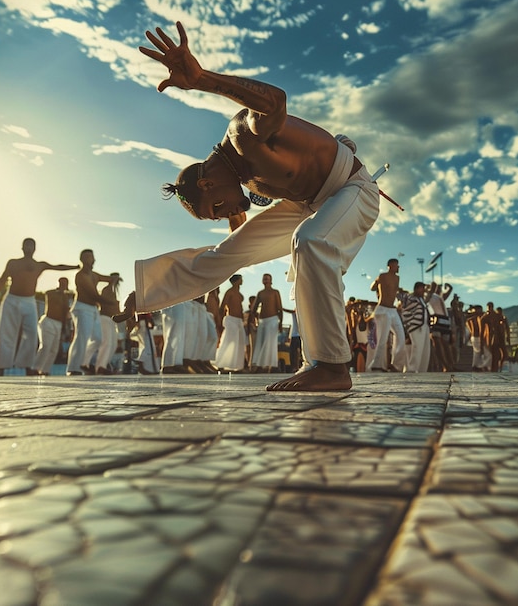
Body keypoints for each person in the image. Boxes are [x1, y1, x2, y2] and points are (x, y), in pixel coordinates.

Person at [116, 21, 379, 391]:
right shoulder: (243, 181)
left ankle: (332, 368)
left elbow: (277, 101)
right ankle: (146, 293)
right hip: (311, 203)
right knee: (224, 255)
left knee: (311, 243)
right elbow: (236, 249)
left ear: (208, 182)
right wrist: (146, 296)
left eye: (218, 208)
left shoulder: (244, 135)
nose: (228, 214)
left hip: (353, 189)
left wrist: (203, 78)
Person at [0, 238, 78, 376]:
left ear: (35, 248)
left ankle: (27, 366)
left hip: (29, 301)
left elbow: (58, 266)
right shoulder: (13, 263)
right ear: (22, 248)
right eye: (26, 245)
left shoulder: (40, 265)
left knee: (32, 333)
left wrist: (76, 266)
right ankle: (1, 368)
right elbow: (1, 281)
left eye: (31, 245)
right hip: (11, 300)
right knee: (6, 333)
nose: (29, 247)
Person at [65, 249, 119, 376]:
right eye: (88, 257)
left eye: (92, 257)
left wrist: (116, 279)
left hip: (93, 310)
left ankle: (83, 363)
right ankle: (73, 368)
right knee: (81, 337)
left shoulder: (95, 275)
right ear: (82, 259)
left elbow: (109, 279)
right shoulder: (81, 275)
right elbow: (94, 295)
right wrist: (110, 302)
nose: (91, 259)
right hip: (82, 308)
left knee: (98, 339)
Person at [367, 258, 405, 372]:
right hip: (382, 309)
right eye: (396, 265)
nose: (398, 267)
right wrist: (377, 282)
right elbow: (372, 288)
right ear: (390, 266)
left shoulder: (397, 278)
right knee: (383, 338)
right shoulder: (382, 276)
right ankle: (376, 365)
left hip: (392, 310)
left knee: (401, 336)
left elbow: (395, 290)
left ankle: (395, 364)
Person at [32, 277, 73, 375]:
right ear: (59, 283)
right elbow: (50, 297)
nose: (64, 285)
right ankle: (35, 368)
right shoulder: (51, 293)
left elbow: (66, 313)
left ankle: (45, 370)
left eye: (66, 283)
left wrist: (66, 328)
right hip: (48, 321)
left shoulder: (66, 297)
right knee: (46, 346)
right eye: (62, 283)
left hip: (58, 324)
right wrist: (63, 293)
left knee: (54, 350)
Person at [84, 272, 122, 374]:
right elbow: (103, 303)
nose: (117, 282)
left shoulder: (114, 291)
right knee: (107, 343)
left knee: (113, 344)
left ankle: (103, 364)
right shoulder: (107, 289)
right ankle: (100, 367)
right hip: (104, 318)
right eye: (115, 279)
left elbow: (116, 310)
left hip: (112, 321)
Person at [249, 273, 283, 373]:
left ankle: (270, 366)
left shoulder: (275, 292)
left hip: (272, 320)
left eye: (267, 279)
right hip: (262, 321)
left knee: (269, 343)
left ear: (271, 280)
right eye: (264, 279)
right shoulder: (260, 293)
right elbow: (254, 308)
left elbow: (279, 308)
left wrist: (280, 323)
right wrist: (255, 318)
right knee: (260, 342)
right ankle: (260, 365)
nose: (266, 280)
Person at [214, 274, 246, 372]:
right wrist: (219, 321)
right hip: (231, 319)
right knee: (228, 341)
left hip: (239, 321)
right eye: (241, 279)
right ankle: (221, 364)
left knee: (240, 342)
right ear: (236, 281)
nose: (242, 281)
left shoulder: (239, 293)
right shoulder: (230, 292)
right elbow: (223, 306)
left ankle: (238, 366)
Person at [398, 282, 430, 373]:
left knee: (425, 350)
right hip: (415, 326)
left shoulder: (421, 300)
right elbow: (401, 300)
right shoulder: (410, 297)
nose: (423, 291)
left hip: (424, 326)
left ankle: (422, 370)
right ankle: (412, 369)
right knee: (417, 348)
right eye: (421, 288)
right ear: (416, 289)